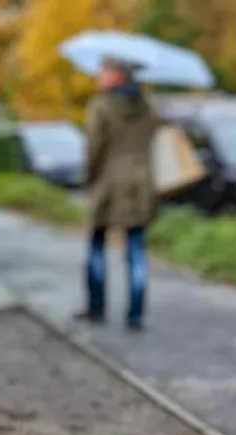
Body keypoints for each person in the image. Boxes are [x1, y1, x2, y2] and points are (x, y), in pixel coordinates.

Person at [78, 56, 162, 330]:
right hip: (141, 183)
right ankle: (135, 314)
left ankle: (96, 306)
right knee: (136, 249)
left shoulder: (101, 106)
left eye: (103, 70)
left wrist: (88, 179)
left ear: (118, 75)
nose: (98, 75)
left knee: (96, 244)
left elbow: (94, 149)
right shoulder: (148, 107)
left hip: (109, 183)